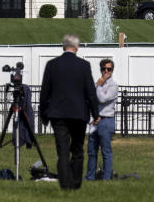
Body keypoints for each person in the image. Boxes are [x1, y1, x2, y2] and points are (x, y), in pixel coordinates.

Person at [40, 33, 100, 190]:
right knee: (78, 150)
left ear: (63, 46)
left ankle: (66, 185)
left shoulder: (52, 64)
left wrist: (43, 114)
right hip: (79, 114)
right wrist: (96, 113)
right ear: (77, 47)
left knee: (63, 151)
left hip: (58, 114)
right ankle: (76, 183)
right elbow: (90, 92)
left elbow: (45, 92)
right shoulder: (84, 65)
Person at [85, 58, 118, 181]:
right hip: (95, 120)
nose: (106, 71)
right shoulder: (97, 83)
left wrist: (98, 85)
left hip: (106, 120)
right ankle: (89, 177)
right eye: (103, 69)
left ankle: (106, 178)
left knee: (106, 151)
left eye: (108, 69)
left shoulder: (113, 86)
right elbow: (90, 98)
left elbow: (102, 99)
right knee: (91, 151)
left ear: (112, 70)